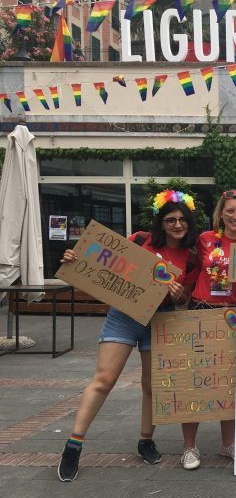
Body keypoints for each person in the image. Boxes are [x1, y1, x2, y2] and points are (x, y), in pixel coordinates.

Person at [57, 190, 200, 482]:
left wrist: (179, 293)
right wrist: (74, 257)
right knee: (104, 380)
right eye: (170, 219)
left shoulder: (192, 259)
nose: (176, 225)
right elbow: (101, 264)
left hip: (161, 321)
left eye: (182, 220)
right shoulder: (138, 240)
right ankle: (73, 445)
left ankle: (146, 440)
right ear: (161, 222)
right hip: (124, 317)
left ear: (189, 224)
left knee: (151, 386)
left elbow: (186, 299)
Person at [181, 189, 236, 470]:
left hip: (233, 316)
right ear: (221, 213)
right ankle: (189, 447)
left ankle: (228, 444)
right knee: (196, 382)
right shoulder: (205, 240)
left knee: (230, 383)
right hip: (201, 311)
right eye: (230, 210)